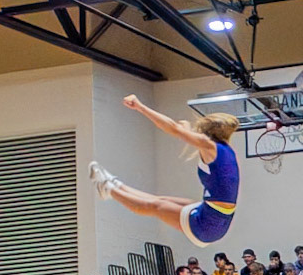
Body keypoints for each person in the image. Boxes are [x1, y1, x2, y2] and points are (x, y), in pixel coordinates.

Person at [90, 96, 240, 247]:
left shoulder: (209, 146)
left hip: (208, 225)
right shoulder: (226, 149)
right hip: (215, 216)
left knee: (155, 207)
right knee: (162, 200)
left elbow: (173, 129)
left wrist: (140, 106)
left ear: (205, 131)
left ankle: (108, 190)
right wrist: (184, 128)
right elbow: (182, 133)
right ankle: (117, 185)